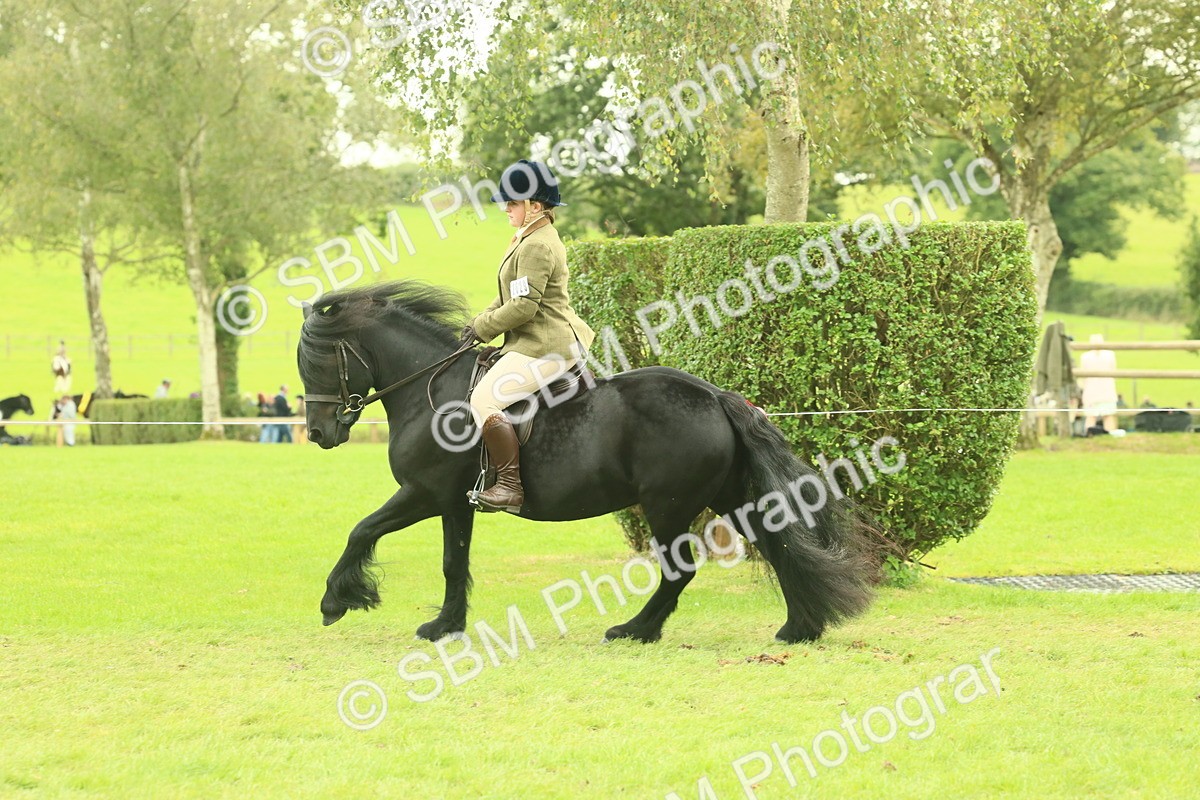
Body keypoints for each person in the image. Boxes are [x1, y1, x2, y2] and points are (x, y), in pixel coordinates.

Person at [458, 159, 596, 513]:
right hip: (533, 342)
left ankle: (508, 487)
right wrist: (480, 320)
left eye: (513, 202)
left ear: (535, 205)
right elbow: (509, 296)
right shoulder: (528, 237)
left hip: (546, 347)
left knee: (484, 400)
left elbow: (523, 309)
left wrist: (482, 328)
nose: (506, 208)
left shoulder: (536, 245)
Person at [1079, 334, 1118, 432]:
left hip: (1093, 390)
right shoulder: (1110, 355)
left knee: (1092, 416)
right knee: (1106, 415)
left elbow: (1083, 375)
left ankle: (1089, 435)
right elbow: (1114, 371)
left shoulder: (1085, 356)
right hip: (1104, 389)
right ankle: (1110, 434)